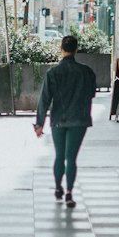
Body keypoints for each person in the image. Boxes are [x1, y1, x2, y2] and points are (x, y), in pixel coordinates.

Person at [34, 35, 97, 209]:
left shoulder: (53, 73)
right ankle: (69, 192)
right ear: (76, 50)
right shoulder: (87, 72)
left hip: (58, 120)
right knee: (72, 158)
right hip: (79, 119)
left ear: (61, 49)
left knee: (59, 156)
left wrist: (39, 124)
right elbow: (91, 93)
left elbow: (44, 99)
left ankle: (57, 188)